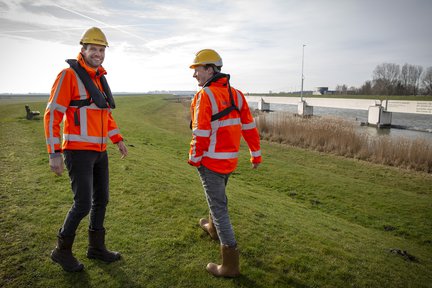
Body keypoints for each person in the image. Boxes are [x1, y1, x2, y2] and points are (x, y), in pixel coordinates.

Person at [44, 27, 128, 272]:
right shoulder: (68, 76)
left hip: (99, 151)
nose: (98, 54)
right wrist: (54, 152)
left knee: (101, 199)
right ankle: (61, 251)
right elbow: (52, 116)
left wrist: (118, 140)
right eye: (93, 49)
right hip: (77, 151)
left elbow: (105, 116)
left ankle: (96, 248)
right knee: (83, 203)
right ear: (83, 50)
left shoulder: (98, 78)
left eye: (101, 50)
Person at [188, 49, 262, 277]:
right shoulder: (237, 95)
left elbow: (200, 132)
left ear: (210, 70)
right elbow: (249, 127)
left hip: (210, 162)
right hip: (229, 161)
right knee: (216, 199)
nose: (194, 75)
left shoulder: (205, 95)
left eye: (197, 69)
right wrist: (255, 153)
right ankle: (212, 229)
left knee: (219, 208)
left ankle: (230, 265)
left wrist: (194, 157)